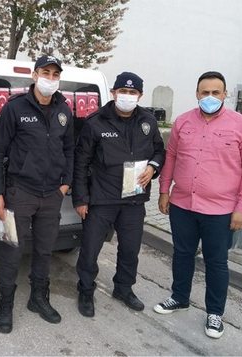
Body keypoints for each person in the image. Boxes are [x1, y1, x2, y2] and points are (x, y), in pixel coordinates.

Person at [152, 71, 242, 339]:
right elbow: (172, 157)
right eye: (205, 92)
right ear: (197, 94)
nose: (210, 97)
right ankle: (179, 297)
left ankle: (215, 313)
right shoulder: (183, 122)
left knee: (216, 263)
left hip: (221, 211)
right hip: (183, 205)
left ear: (225, 94)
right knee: (181, 254)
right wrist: (164, 191)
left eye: (216, 92)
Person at [0, 55, 74, 333]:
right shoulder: (16, 107)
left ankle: (39, 299)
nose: (50, 78)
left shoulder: (65, 110)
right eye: (45, 72)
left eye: (54, 73)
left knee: (44, 250)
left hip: (51, 193)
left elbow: (70, 149)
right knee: (12, 249)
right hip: (19, 191)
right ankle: (5, 305)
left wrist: (66, 183)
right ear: (35, 75)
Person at [72, 72, 165, 317]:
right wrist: (80, 198)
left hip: (134, 198)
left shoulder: (148, 121)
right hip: (101, 198)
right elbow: (80, 163)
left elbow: (159, 151)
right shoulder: (96, 122)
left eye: (132, 93)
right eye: (123, 91)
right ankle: (85, 289)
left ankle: (123, 288)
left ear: (140, 96)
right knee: (90, 249)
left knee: (130, 249)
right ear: (114, 93)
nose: (127, 96)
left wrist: (153, 167)